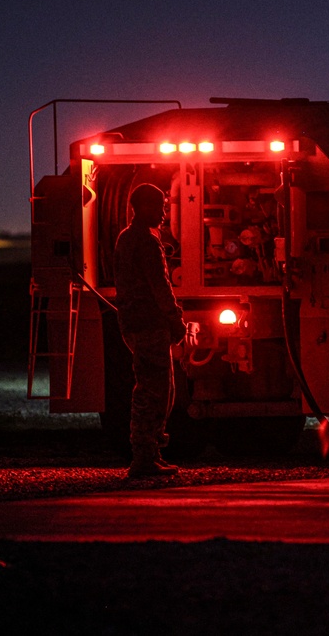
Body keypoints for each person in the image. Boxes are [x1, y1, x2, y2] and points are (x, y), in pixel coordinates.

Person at [113, 184, 187, 478]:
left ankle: (149, 453)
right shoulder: (145, 241)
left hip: (134, 323)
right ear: (142, 207)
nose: (163, 213)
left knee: (153, 388)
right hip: (150, 324)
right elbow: (160, 286)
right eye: (158, 207)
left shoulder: (125, 238)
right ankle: (145, 457)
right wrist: (175, 319)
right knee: (155, 391)